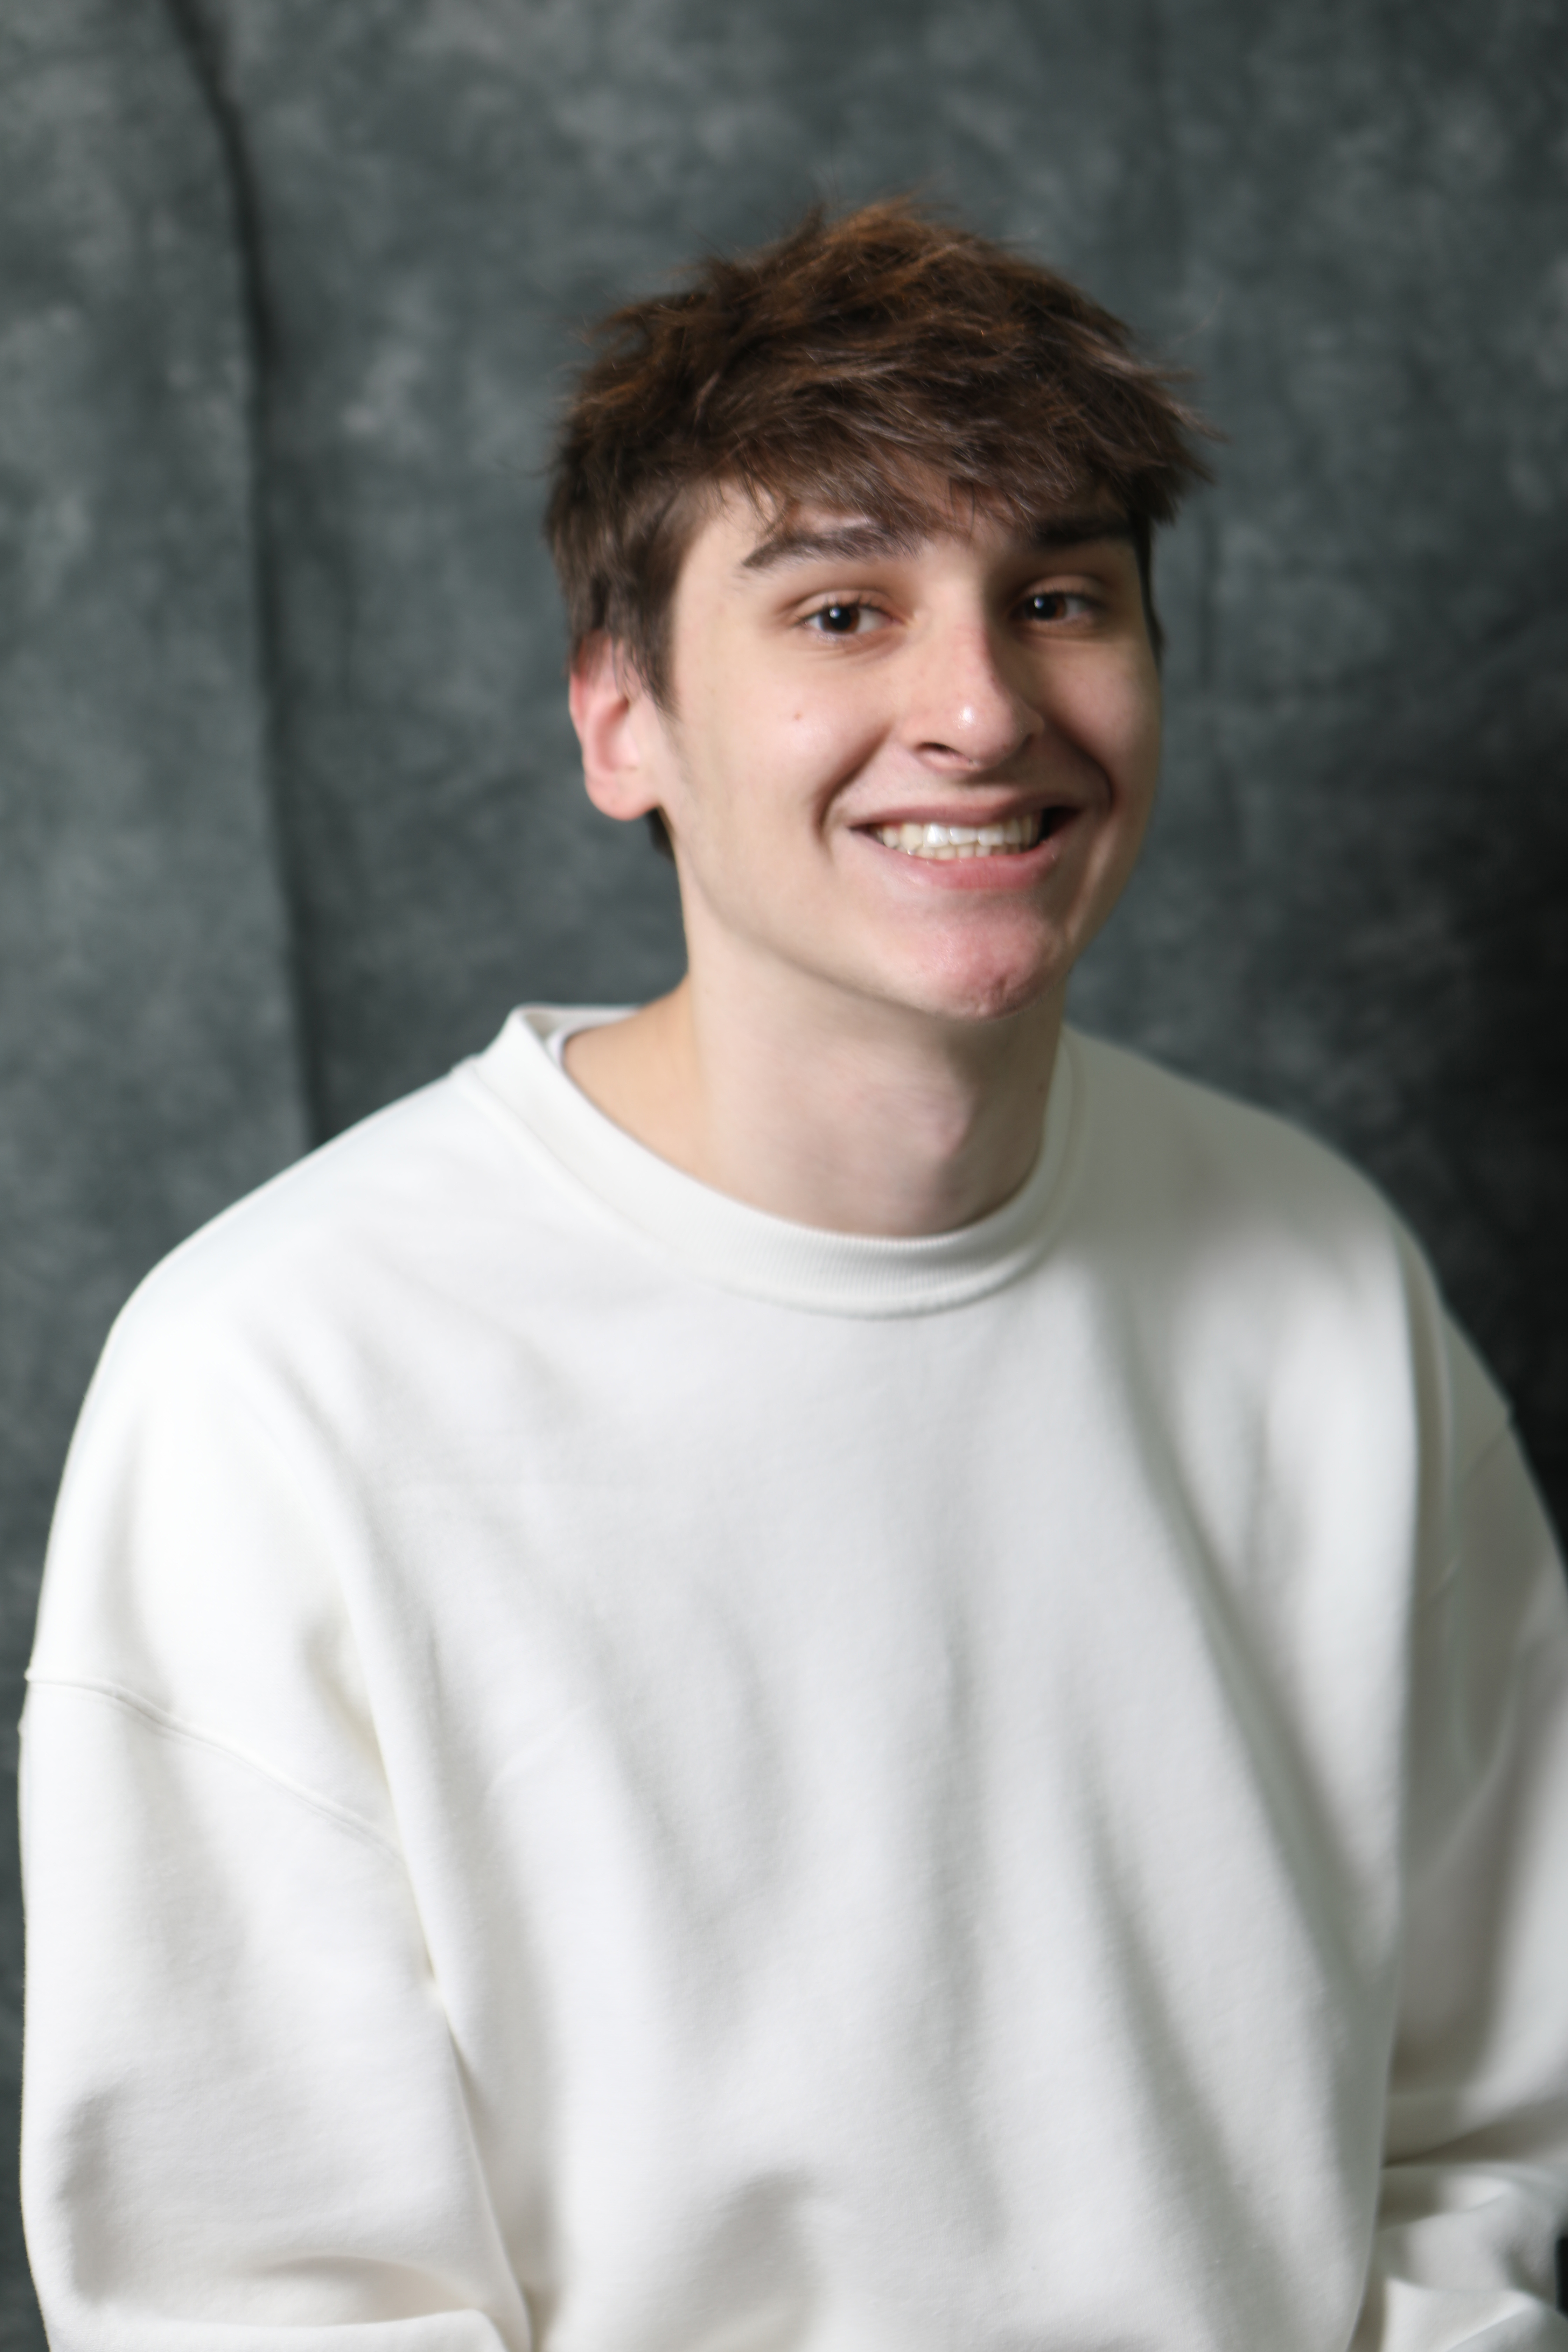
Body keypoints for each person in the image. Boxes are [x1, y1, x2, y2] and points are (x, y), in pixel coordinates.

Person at [20, 201, 1568, 2351]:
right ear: (620, 722)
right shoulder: (279, 1384)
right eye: (843, 608)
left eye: (1059, 598)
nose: (978, 706)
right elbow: (258, 2296)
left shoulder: (1323, 1279)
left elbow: (1488, 2127)